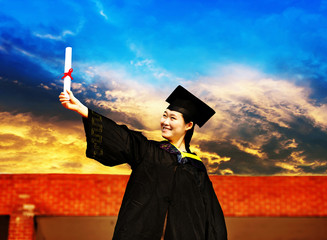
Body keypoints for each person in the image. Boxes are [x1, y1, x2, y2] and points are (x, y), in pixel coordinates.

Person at [59, 85, 227, 240]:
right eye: (164, 116)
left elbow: (212, 216)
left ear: (188, 125)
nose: (165, 122)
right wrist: (82, 109)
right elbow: (122, 137)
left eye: (172, 118)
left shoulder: (196, 167)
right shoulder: (148, 151)